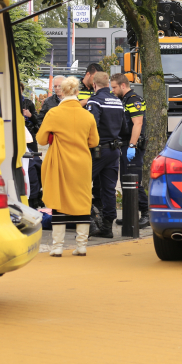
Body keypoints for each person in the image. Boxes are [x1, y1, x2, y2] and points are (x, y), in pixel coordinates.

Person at [36, 77, 99, 257]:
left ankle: (57, 247)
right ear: (77, 92)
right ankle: (81, 245)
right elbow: (94, 141)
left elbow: (40, 139)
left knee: (59, 201)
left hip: (59, 162)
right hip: (82, 163)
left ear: (62, 92)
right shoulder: (87, 115)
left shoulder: (54, 114)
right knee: (82, 201)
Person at [86, 71, 126, 238]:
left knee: (81, 185)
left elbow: (91, 125)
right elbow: (125, 129)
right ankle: (107, 227)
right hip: (114, 150)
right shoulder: (117, 101)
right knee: (109, 189)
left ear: (94, 85)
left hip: (97, 150)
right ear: (108, 84)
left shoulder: (94, 101)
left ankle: (88, 223)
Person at [110, 73, 149, 228]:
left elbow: (137, 124)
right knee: (126, 181)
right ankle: (129, 215)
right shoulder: (124, 99)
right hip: (125, 144)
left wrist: (132, 146)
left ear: (123, 85)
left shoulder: (133, 100)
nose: (112, 90)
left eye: (114, 87)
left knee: (134, 181)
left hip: (133, 146)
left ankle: (145, 213)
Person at [20, 82, 39, 152]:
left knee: (33, 156)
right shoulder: (7, 103)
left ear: (22, 90)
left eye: (20, 90)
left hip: (29, 132)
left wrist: (30, 115)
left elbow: (37, 120)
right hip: (14, 133)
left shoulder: (28, 103)